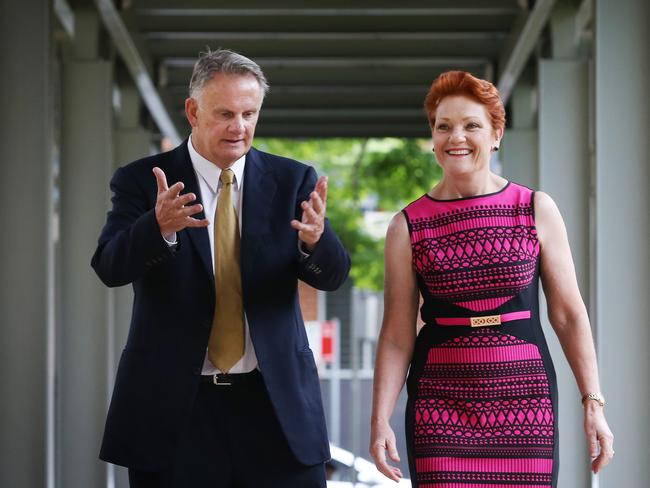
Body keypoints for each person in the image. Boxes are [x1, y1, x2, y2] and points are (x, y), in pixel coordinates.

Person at [92, 49, 350, 487]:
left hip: (274, 409)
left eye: (250, 113)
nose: (240, 127)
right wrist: (156, 227)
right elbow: (109, 266)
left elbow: (334, 274)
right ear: (193, 111)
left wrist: (314, 241)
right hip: (176, 410)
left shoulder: (294, 181)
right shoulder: (143, 180)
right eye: (226, 113)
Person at [370, 71, 614, 487]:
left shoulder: (535, 208)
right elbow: (396, 334)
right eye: (443, 126)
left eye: (471, 125)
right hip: (438, 405)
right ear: (432, 137)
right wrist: (379, 422)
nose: (456, 137)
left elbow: (569, 315)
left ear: (496, 133)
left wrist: (594, 403)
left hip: (525, 399)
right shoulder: (406, 225)